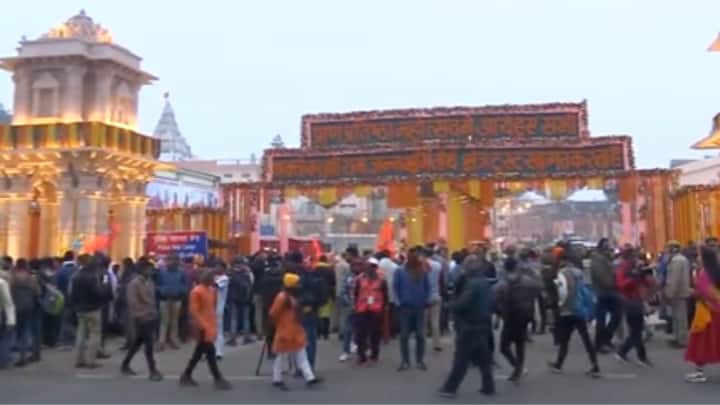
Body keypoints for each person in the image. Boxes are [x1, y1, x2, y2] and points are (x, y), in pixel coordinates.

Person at [438, 256, 495, 398]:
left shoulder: (473, 284)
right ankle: (488, 386)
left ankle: (449, 388)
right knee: (483, 359)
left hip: (470, 325)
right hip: (483, 323)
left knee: (461, 359)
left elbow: (462, 304)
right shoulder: (484, 283)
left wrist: (449, 306)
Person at [548, 247, 600, 377]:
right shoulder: (578, 272)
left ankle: (558, 364)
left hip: (568, 309)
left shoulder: (563, 273)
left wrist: (561, 305)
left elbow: (564, 292)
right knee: (586, 338)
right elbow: (586, 289)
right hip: (580, 308)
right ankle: (594, 364)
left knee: (565, 339)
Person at [269, 272, 323, 390]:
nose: (299, 285)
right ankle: (277, 379)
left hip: (295, 330)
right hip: (285, 330)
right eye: (296, 283)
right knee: (281, 356)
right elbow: (273, 313)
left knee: (300, 355)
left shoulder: (290, 297)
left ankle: (309, 377)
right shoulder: (282, 297)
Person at [179, 270, 231, 390]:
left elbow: (211, 308)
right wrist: (202, 325)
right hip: (202, 326)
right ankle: (217, 378)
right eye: (212, 277)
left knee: (199, 353)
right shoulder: (197, 291)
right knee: (210, 353)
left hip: (209, 325)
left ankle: (186, 375)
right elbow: (194, 311)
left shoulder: (212, 290)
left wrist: (212, 325)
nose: (214, 279)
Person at [495, 257, 542, 382]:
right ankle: (518, 369)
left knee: (504, 347)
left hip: (509, 317)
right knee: (520, 344)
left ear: (505, 267)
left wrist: (499, 315)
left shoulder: (503, 283)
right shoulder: (527, 280)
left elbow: (496, 301)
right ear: (516, 266)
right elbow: (538, 288)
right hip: (524, 316)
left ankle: (517, 367)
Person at [121, 258, 163, 381]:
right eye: (149, 269)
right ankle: (153, 370)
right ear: (142, 270)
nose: (151, 271)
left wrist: (153, 312)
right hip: (141, 317)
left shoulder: (150, 282)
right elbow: (132, 302)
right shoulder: (134, 284)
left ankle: (125, 364)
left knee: (137, 343)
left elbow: (152, 299)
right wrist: (142, 314)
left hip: (151, 315)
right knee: (148, 344)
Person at [613, 246, 655, 367]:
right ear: (629, 257)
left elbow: (644, 281)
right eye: (634, 256)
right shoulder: (623, 268)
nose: (636, 258)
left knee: (636, 330)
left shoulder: (633, 267)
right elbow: (621, 285)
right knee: (637, 330)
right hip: (629, 301)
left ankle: (624, 352)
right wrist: (633, 277)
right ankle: (640, 356)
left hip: (636, 300)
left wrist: (645, 276)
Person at [685, 246, 720, 382]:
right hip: (715, 311)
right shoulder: (715, 271)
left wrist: (693, 292)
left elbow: (704, 292)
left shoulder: (704, 273)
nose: (697, 257)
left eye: (699, 255)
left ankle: (699, 372)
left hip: (706, 312)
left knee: (701, 342)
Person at [70, 255, 111, 369]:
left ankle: (79, 359)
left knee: (81, 334)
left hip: (80, 309)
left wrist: (74, 306)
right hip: (93, 308)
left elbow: (72, 294)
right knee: (95, 334)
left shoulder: (76, 276)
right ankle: (91, 360)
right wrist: (104, 287)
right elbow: (98, 292)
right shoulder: (93, 277)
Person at [393, 248, 430, 371]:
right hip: (405, 308)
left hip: (419, 308)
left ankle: (419, 360)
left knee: (420, 335)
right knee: (404, 335)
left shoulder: (422, 271)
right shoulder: (400, 271)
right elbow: (395, 288)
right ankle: (405, 361)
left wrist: (426, 300)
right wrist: (399, 302)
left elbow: (427, 287)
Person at [353, 257, 389, 365]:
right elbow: (356, 293)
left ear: (375, 268)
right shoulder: (359, 279)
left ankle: (374, 355)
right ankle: (361, 356)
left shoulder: (382, 280)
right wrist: (355, 306)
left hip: (376, 309)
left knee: (375, 334)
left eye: (372, 266)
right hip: (362, 309)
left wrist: (384, 308)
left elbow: (385, 295)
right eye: (368, 266)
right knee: (360, 334)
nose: (370, 269)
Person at [592, 238, 622, 353]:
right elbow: (601, 276)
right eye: (606, 246)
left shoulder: (606, 258)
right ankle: (600, 344)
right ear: (601, 247)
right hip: (603, 292)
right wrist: (613, 283)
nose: (609, 249)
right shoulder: (598, 259)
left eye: (609, 247)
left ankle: (605, 339)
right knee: (602, 319)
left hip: (610, 291)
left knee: (616, 315)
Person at [156, 254, 188, 351]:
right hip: (164, 299)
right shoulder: (161, 273)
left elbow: (185, 286)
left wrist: (180, 292)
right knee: (164, 321)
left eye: (174, 261)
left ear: (177, 262)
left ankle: (174, 340)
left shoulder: (182, 273)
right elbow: (157, 285)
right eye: (169, 261)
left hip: (176, 299)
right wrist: (163, 291)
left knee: (175, 321)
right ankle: (161, 342)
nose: (171, 263)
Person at [665, 241, 692, 348]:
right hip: (680, 292)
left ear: (673, 248)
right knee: (678, 316)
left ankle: (681, 340)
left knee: (680, 317)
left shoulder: (677, 260)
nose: (667, 250)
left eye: (668, 248)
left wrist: (670, 293)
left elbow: (674, 279)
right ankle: (679, 338)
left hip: (678, 293)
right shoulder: (680, 259)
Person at [337, 248, 361, 362]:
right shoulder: (349, 277)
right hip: (350, 306)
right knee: (348, 329)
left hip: (362, 307)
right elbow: (343, 290)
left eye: (358, 265)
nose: (356, 267)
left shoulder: (363, 278)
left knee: (361, 329)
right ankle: (346, 351)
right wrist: (349, 302)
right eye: (354, 265)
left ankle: (360, 348)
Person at [227, 257, 254, 346]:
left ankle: (232, 338)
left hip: (233, 298)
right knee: (246, 318)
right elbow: (251, 284)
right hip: (245, 298)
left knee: (233, 318)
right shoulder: (247, 273)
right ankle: (246, 337)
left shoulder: (230, 273)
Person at [424, 247, 444, 352]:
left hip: (423, 297)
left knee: (422, 322)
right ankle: (437, 344)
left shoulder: (421, 265)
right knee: (435, 321)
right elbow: (441, 281)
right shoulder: (437, 265)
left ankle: (422, 343)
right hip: (436, 295)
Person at [315, 256, 336, 340]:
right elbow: (333, 283)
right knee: (326, 315)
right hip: (327, 294)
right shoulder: (330, 270)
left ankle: (318, 332)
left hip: (317, 294)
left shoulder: (314, 269)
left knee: (318, 314)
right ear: (326, 261)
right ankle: (326, 333)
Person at [214, 261, 230, 359]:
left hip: (219, 307)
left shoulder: (225, 278)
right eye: (216, 266)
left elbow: (215, 285)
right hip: (209, 307)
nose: (217, 269)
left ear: (223, 269)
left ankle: (219, 352)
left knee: (218, 329)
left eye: (219, 267)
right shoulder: (213, 277)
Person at [0, 273, 15, 369]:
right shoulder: (1, 283)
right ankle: (3, 361)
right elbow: (8, 303)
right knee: (4, 339)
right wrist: (11, 320)